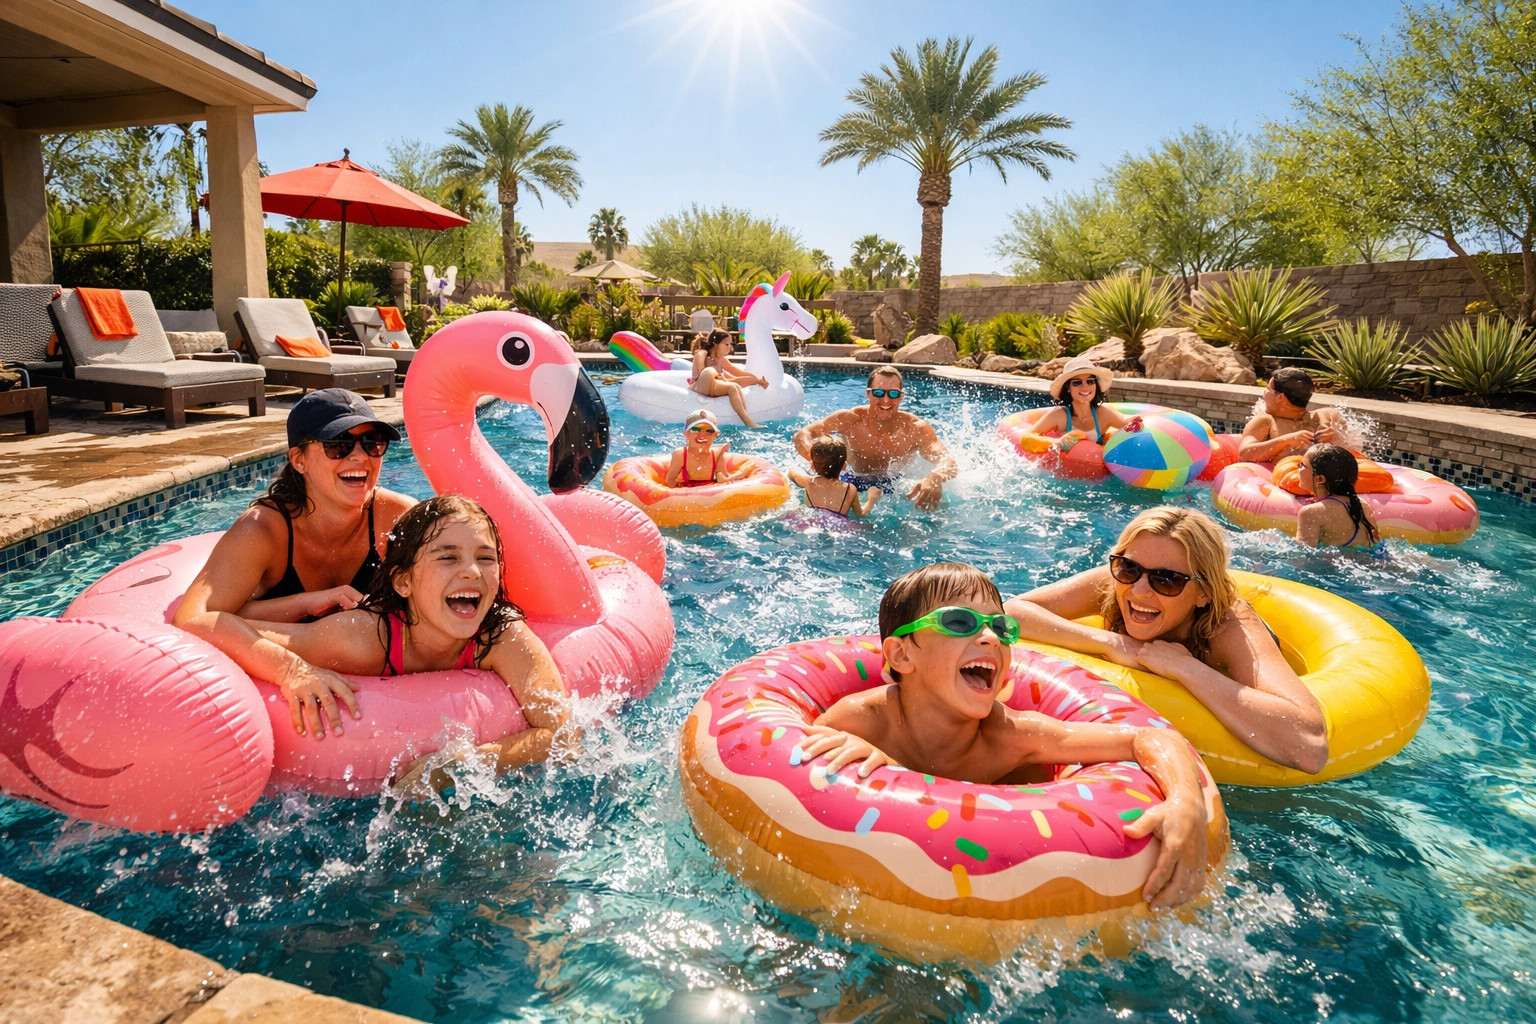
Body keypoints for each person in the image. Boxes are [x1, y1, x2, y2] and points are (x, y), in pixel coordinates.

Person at [797, 562, 1210, 909]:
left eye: (1001, 626)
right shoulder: (863, 722)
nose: (991, 637)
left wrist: (1186, 804)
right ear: (902, 654)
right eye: (959, 622)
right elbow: (798, 774)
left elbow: (1150, 739)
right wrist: (867, 756)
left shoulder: (1010, 735)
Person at [246, 495, 570, 787]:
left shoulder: (500, 634)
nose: (472, 571)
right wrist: (289, 670)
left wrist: (467, 762)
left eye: (486, 558)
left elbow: (564, 736)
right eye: (448, 558)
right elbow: (212, 626)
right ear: (403, 582)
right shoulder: (364, 638)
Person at [1003, 507, 1328, 774]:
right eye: (1129, 568)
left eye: (1167, 579)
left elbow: (1308, 745)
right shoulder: (1115, 583)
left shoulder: (1228, 627)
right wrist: (1111, 643)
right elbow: (1011, 612)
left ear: (1203, 592)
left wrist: (1184, 667)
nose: (1140, 590)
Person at [173, 388, 418, 737]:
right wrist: (291, 668)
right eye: (338, 445)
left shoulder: (396, 517)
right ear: (299, 460)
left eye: (373, 443)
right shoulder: (265, 530)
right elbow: (193, 620)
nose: (361, 458)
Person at [792, 367, 956, 511]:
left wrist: (934, 477)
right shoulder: (850, 419)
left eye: (893, 394)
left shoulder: (916, 428)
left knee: (940, 507)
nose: (885, 400)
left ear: (901, 397)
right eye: (878, 393)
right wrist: (816, 461)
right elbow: (803, 434)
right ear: (868, 394)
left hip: (895, 485)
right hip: (848, 479)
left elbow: (947, 460)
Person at [1019, 355, 1143, 452]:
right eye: (1078, 383)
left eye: (1090, 381)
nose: (1085, 387)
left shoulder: (1102, 414)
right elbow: (1026, 439)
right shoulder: (1060, 415)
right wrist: (1057, 442)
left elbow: (1125, 420)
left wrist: (1134, 422)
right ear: (1068, 387)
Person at [1238, 367, 1349, 463]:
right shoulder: (1265, 421)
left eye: (1268, 389)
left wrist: (1335, 437)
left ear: (1280, 397)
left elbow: (1351, 448)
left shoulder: (1329, 416)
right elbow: (1245, 453)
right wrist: (1286, 440)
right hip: (1286, 478)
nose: (1264, 392)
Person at [1295, 444, 1382, 550]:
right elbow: (1376, 544)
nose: (1297, 467)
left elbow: (1303, 557)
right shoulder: (1362, 504)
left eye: (1302, 465)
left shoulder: (1311, 512)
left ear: (1320, 479)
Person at [787, 434, 881, 518]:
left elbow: (792, 472)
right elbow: (860, 514)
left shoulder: (808, 482)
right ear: (844, 465)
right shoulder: (850, 489)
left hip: (811, 520)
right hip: (838, 526)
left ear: (812, 465)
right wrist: (871, 499)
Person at [690, 328, 768, 428]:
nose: (730, 347)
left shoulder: (722, 361)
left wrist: (758, 381)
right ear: (715, 344)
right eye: (726, 344)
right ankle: (748, 422)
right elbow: (702, 370)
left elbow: (739, 374)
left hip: (713, 386)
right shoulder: (702, 354)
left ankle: (747, 421)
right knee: (710, 372)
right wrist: (721, 377)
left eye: (731, 344)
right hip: (700, 385)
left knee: (734, 386)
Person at [665, 409, 750, 488]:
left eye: (709, 431)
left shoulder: (717, 455)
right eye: (695, 429)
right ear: (686, 434)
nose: (702, 435)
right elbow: (670, 481)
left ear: (716, 435)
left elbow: (723, 480)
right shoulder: (680, 455)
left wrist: (742, 473)